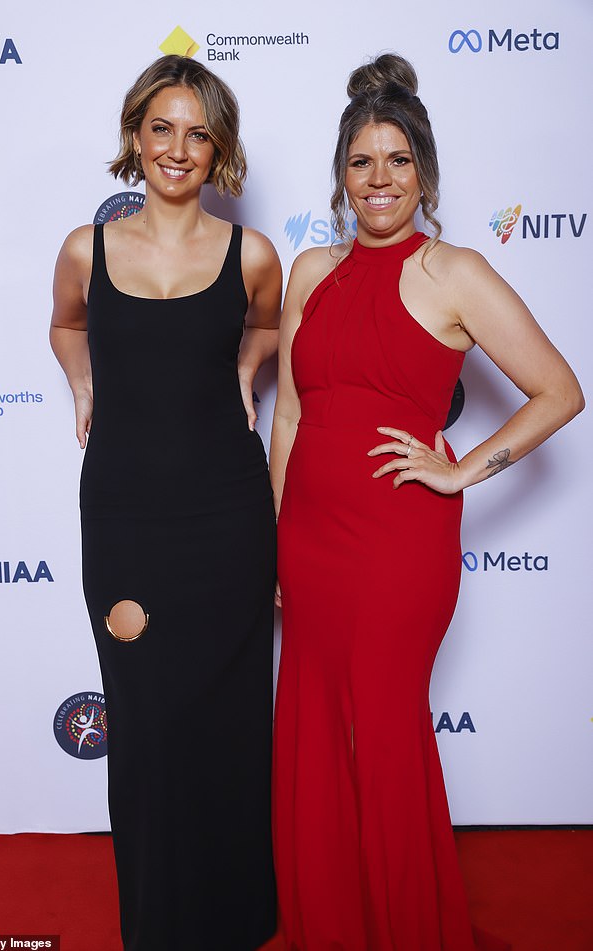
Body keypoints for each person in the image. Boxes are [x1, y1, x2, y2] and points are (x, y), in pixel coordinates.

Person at [270, 53, 584, 951]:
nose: (379, 180)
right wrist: (275, 537)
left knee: (385, 734)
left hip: (396, 544)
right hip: (311, 541)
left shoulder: (456, 273)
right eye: (362, 161)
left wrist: (458, 470)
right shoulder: (309, 271)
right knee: (314, 734)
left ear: (426, 173)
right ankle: (332, 925)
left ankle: (407, 929)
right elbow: (289, 414)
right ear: (341, 174)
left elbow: (559, 390)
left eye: (398, 161)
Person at [50, 55, 281, 951]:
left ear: (217, 145)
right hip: (123, 515)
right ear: (134, 135)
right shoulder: (87, 247)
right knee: (145, 722)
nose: (177, 149)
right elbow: (68, 323)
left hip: (227, 511)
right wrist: (81, 386)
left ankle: (238, 919)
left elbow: (262, 324)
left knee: (226, 720)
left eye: (197, 132)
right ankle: (158, 922)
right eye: (161, 128)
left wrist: (246, 372)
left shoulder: (251, 253)